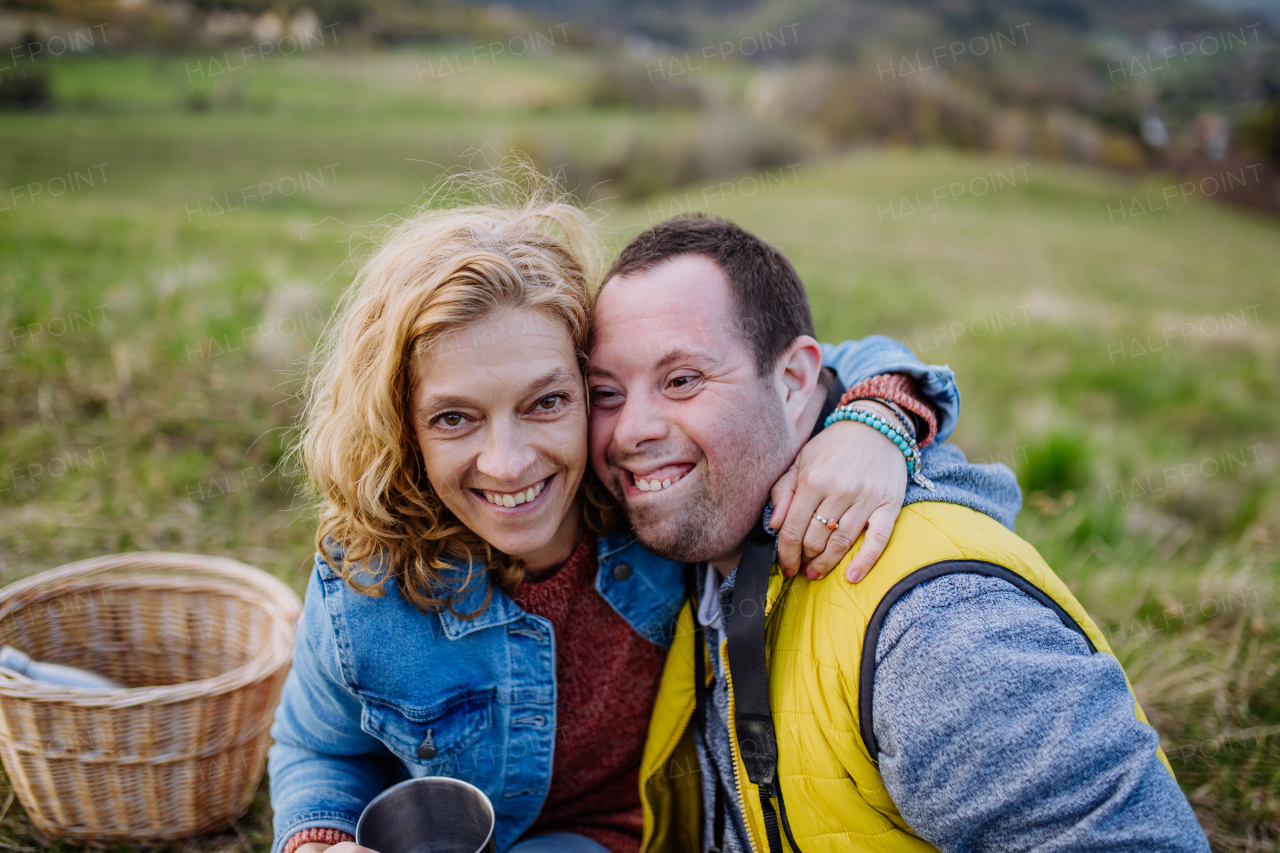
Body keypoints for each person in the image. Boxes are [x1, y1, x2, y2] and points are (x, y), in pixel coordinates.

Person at [266, 180, 1011, 853]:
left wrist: (875, 418)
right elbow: (316, 749)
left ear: (589, 385)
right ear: (403, 426)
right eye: (456, 418)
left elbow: (792, 363)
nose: (510, 462)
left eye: (547, 401)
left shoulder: (651, 507)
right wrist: (317, 840)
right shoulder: (366, 583)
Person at [586, 214, 1211, 853]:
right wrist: (883, 403)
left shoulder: (938, 628)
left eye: (682, 380)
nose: (631, 430)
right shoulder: (699, 526)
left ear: (796, 382)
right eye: (605, 392)